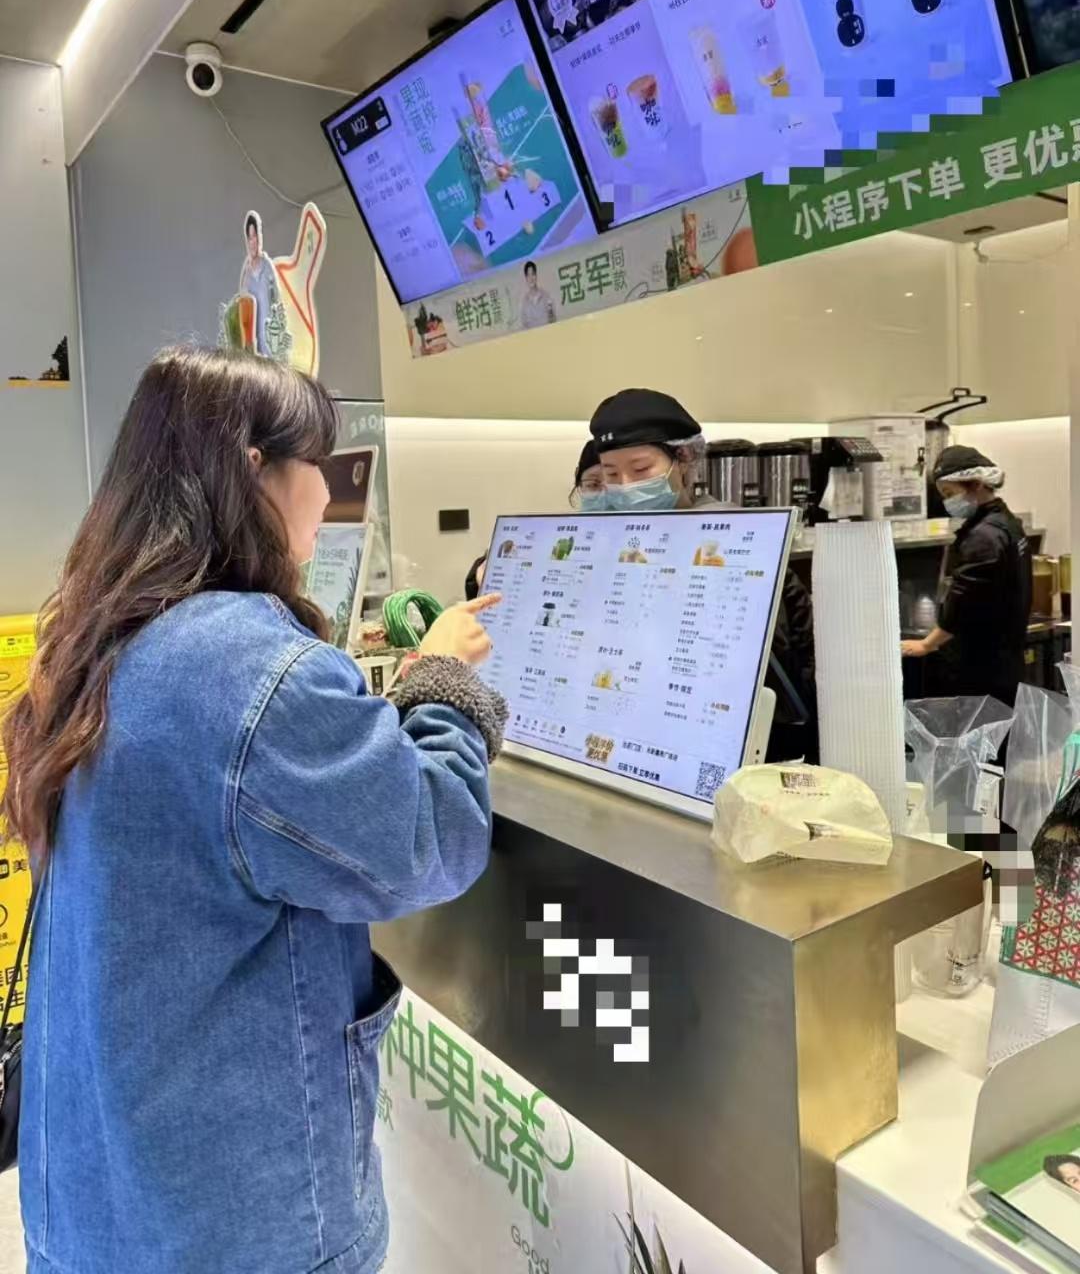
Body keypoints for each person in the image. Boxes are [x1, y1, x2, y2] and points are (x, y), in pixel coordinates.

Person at [2, 347, 507, 1274]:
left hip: (95, 1204)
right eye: (319, 466)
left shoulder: (94, 635)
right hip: (239, 1227)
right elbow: (428, 839)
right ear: (253, 470)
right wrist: (441, 684)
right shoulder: (249, 664)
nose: (330, 497)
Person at [589, 389, 817, 763]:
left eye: (641, 469)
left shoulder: (731, 537)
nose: (626, 485)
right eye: (612, 474)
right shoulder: (618, 539)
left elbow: (777, 664)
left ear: (684, 459)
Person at [901, 444, 1032, 707]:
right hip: (1005, 659)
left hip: (981, 666)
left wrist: (928, 644)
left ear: (976, 484)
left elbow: (964, 599)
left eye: (950, 493)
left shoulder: (984, 536)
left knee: (979, 730)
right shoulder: (1006, 522)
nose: (948, 502)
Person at [464, 440, 603, 599]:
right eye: (593, 485)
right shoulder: (555, 537)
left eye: (613, 481)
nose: (605, 494)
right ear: (579, 485)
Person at [241, 211, 283, 357]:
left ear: (260, 237)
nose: (252, 242)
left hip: (270, 349)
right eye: (249, 238)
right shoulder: (246, 274)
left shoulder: (268, 268)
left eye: (255, 236)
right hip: (252, 351)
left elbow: (278, 303)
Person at [519, 260, 556, 331]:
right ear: (526, 278)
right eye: (528, 275)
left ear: (536, 275)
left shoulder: (546, 296)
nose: (531, 278)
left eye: (533, 274)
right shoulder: (524, 303)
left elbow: (553, 319)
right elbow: (524, 326)